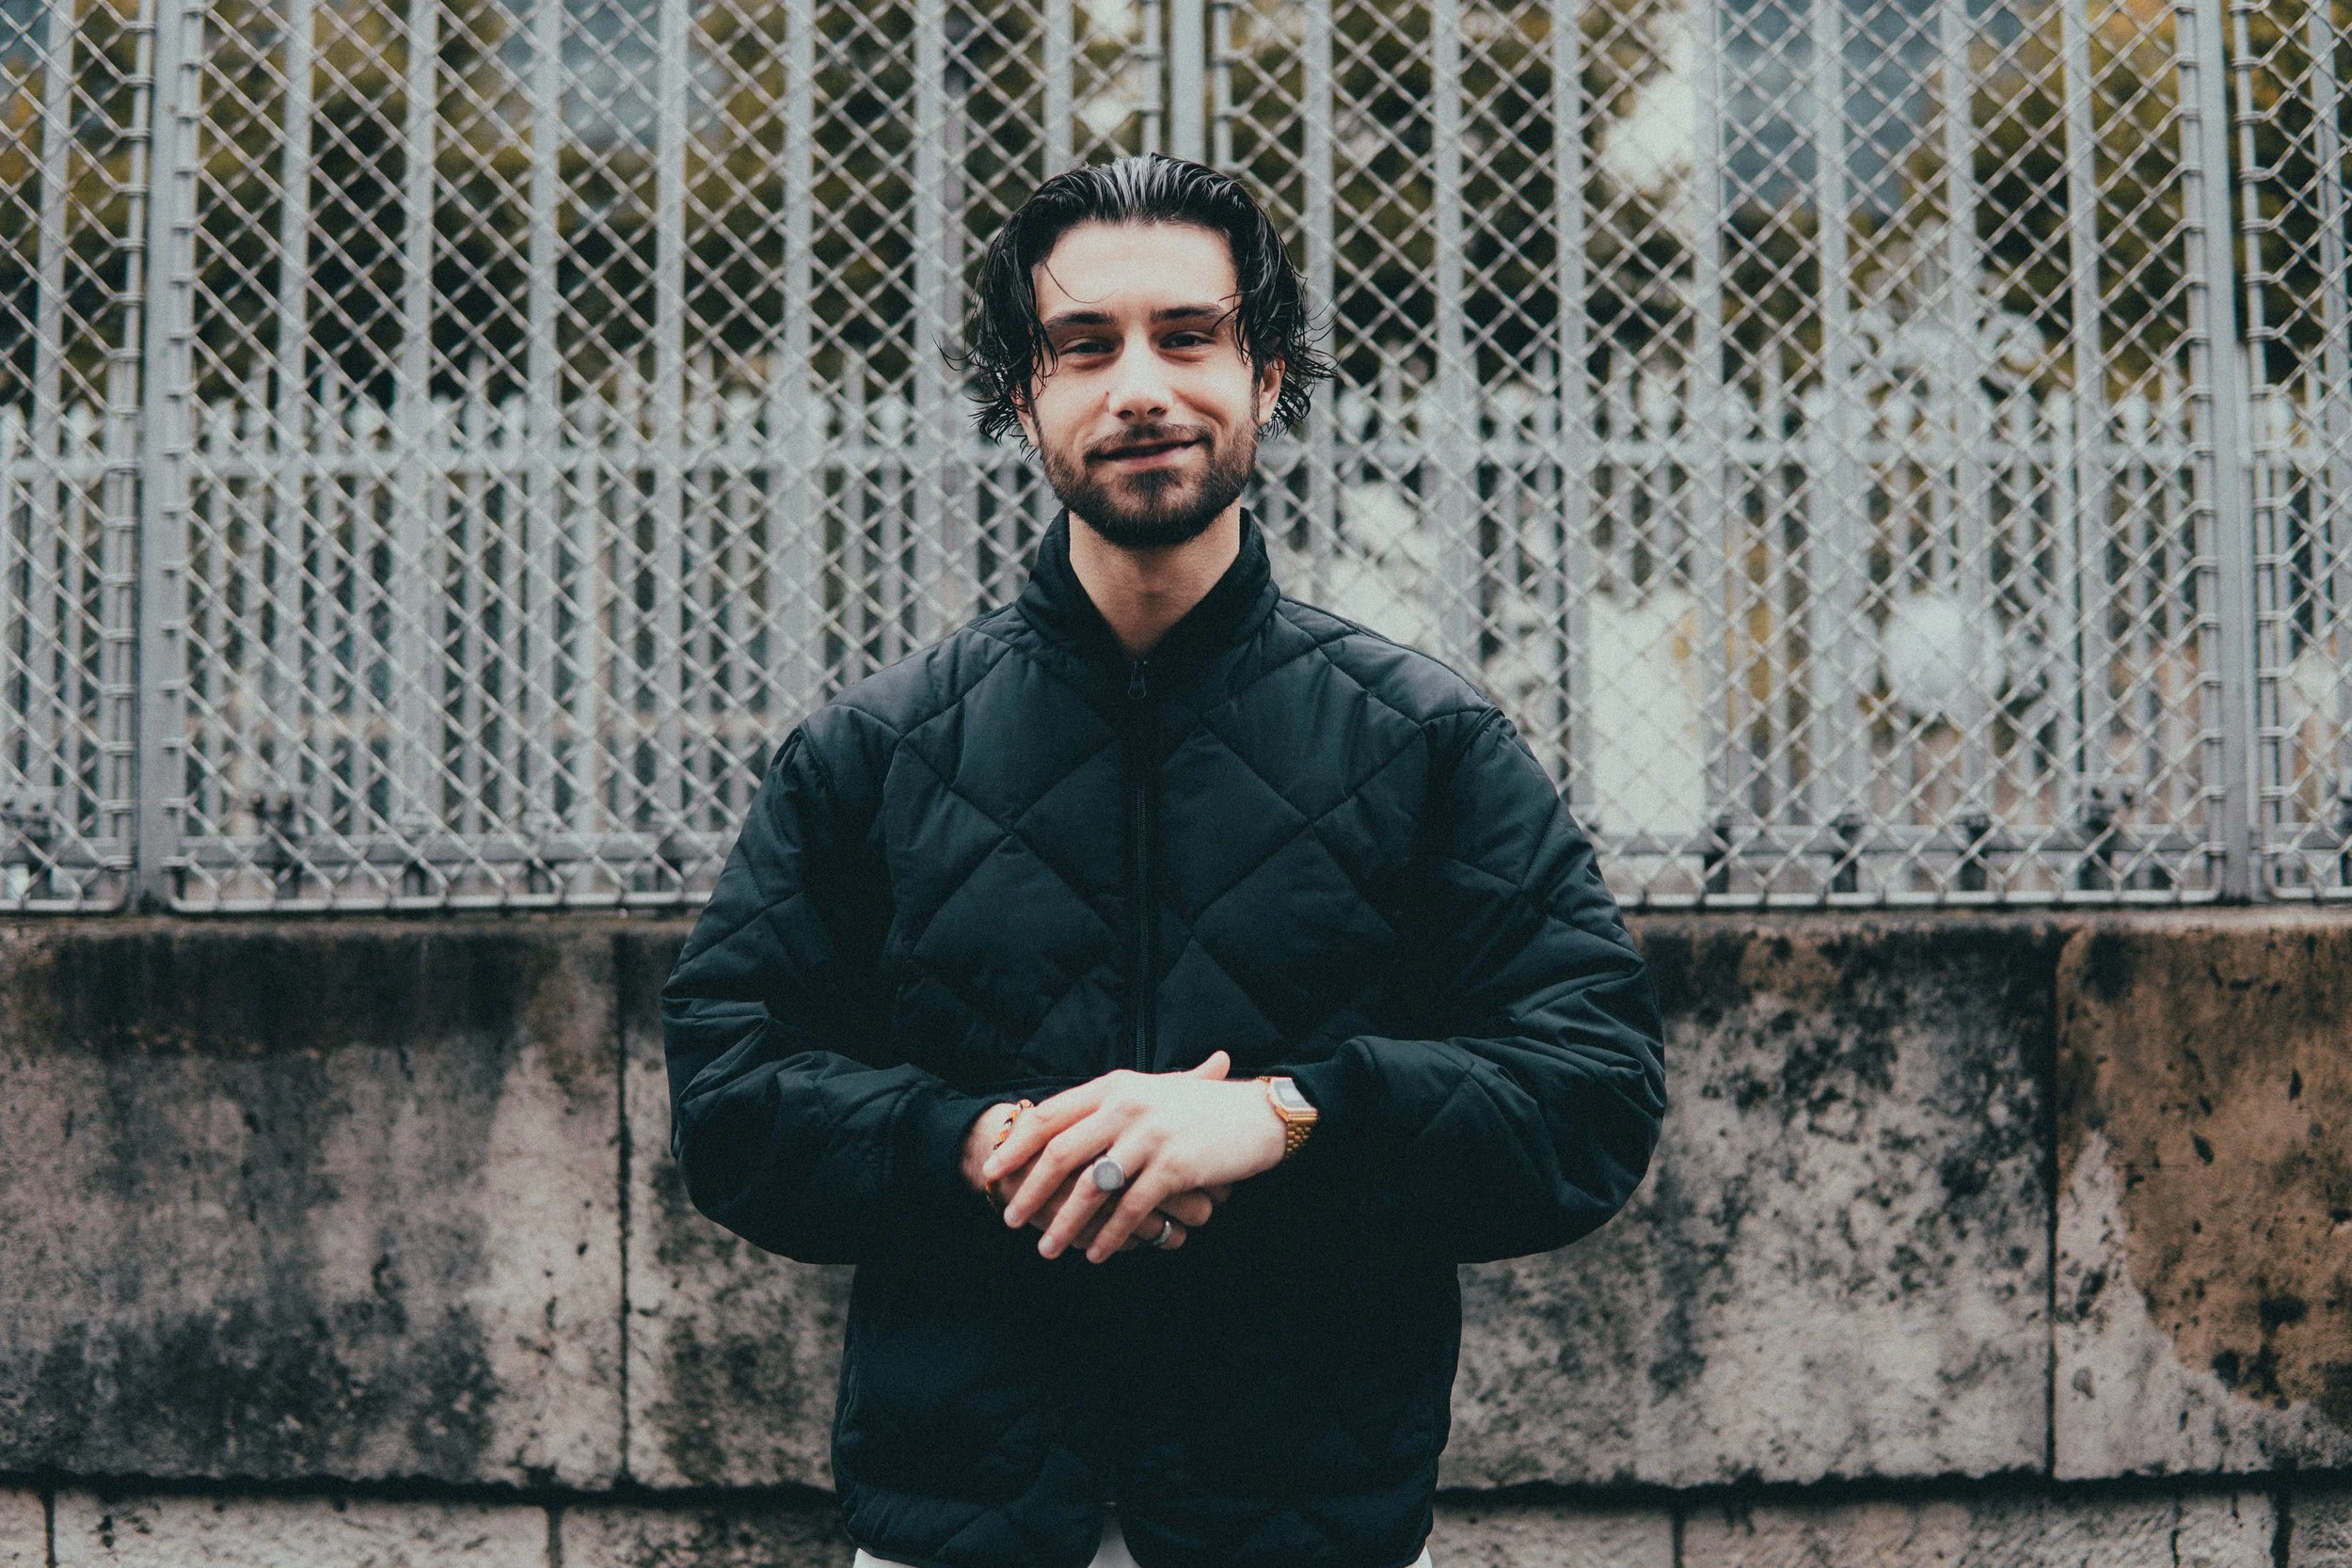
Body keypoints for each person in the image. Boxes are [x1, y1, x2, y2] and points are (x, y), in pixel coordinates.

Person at [661, 153, 1666, 1568]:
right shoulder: (872, 752)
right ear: (1023, 398)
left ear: (1266, 379)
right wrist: (976, 1141)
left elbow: (1595, 1089)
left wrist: (1288, 1116)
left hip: (1312, 1525)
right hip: (964, 1527)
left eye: (1189, 335)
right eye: (1086, 346)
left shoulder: (1428, 741)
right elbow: (728, 1087)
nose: (1140, 385)